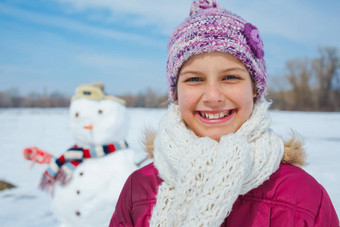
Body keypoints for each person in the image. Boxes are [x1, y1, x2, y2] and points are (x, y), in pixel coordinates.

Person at [109, 0, 339, 226]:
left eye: (230, 77)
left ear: (255, 90)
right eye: (194, 79)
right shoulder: (138, 190)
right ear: (176, 94)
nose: (212, 96)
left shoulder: (304, 197)